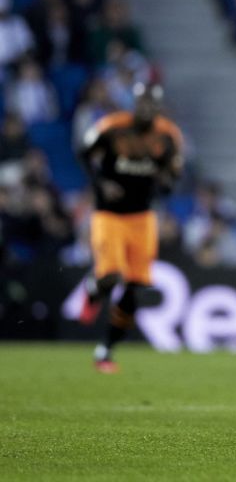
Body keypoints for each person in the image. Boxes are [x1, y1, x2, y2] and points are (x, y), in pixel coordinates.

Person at [77, 83, 183, 373]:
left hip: (141, 216)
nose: (146, 110)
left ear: (158, 108)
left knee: (135, 286)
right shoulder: (112, 127)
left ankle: (106, 350)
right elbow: (84, 152)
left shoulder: (168, 135)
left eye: (152, 105)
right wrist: (100, 183)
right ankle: (92, 289)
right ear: (133, 104)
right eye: (142, 103)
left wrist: (168, 178)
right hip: (109, 214)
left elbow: (172, 175)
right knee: (111, 276)